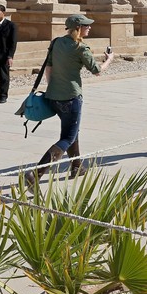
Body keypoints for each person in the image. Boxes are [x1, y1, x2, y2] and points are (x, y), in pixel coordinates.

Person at [26, 14, 113, 185]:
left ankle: (77, 166)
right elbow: (96, 71)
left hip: (54, 96)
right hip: (71, 97)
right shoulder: (81, 47)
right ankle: (36, 174)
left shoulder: (57, 42)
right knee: (67, 137)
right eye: (87, 26)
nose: (90, 28)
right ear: (78, 28)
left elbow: (48, 68)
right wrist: (109, 60)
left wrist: (53, 88)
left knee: (72, 132)